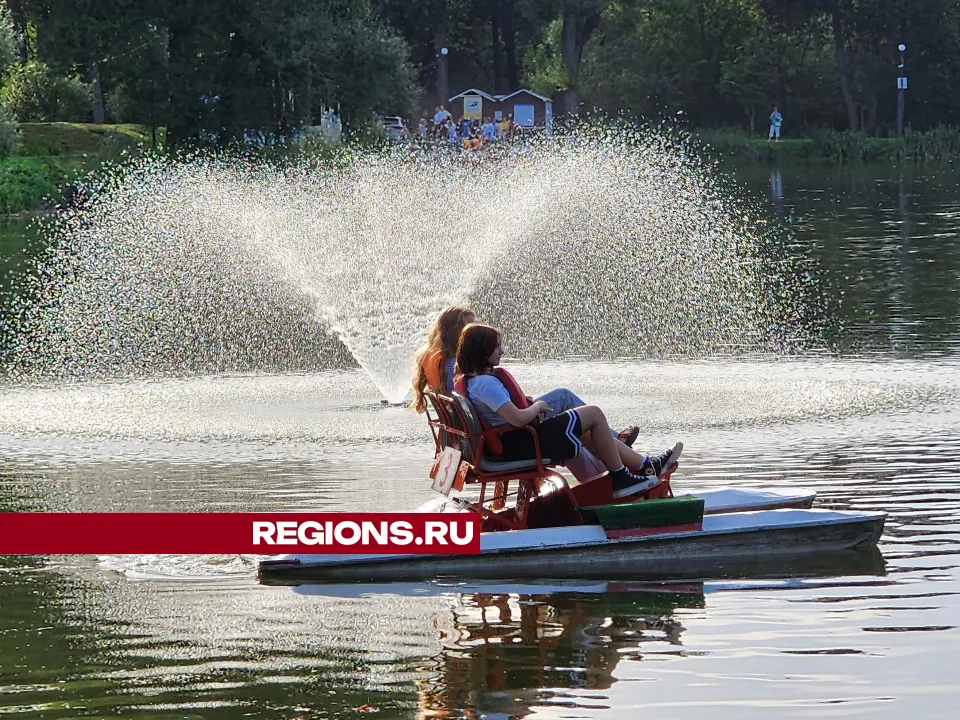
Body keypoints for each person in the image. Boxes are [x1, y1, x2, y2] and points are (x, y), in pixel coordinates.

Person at [456, 323, 682, 499]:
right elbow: (517, 419)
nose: (502, 351)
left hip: (517, 440)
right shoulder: (486, 384)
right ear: (483, 350)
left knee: (586, 428)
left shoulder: (474, 381)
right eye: (496, 346)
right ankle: (621, 478)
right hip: (523, 443)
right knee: (593, 414)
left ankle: (643, 466)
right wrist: (537, 407)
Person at [412, 306, 478, 413]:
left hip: (450, 419)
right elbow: (459, 399)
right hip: (465, 422)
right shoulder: (454, 363)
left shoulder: (431, 355)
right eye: (469, 328)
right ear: (454, 331)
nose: (475, 332)